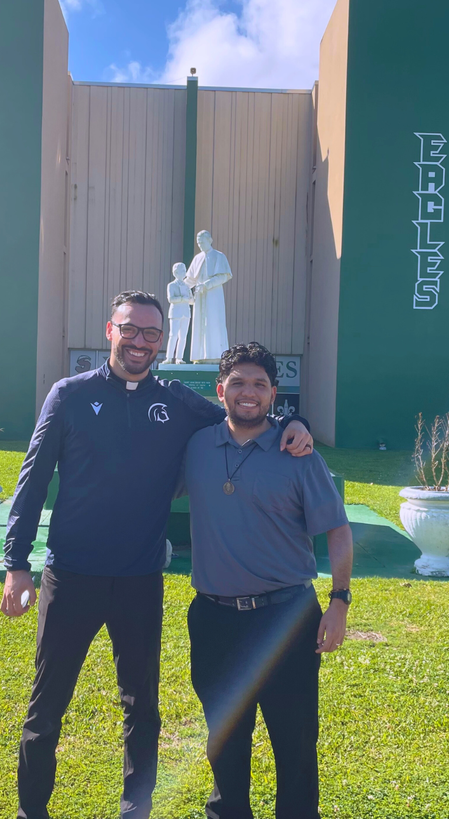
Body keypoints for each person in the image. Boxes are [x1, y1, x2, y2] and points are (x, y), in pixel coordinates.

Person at [0, 292, 314, 819]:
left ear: (162, 341)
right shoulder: (69, 395)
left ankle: (135, 810)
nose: (139, 341)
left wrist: (291, 423)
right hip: (70, 577)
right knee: (46, 707)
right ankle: (32, 812)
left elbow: (240, 414)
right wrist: (16, 564)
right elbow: (31, 483)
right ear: (110, 330)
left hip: (140, 580)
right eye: (130, 329)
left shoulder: (177, 402)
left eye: (151, 333)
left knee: (141, 707)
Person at [182, 342, 354, 819]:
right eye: (237, 382)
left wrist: (339, 601)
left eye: (259, 384)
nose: (249, 392)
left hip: (286, 618)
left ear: (274, 393)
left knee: (294, 740)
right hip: (214, 618)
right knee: (224, 737)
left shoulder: (298, 453)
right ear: (220, 390)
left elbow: (338, 530)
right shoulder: (196, 446)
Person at [184, 230, 232, 363]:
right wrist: (180, 287)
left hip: (213, 295)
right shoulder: (197, 258)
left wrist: (207, 284)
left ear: (210, 240)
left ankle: (215, 356)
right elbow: (191, 279)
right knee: (199, 324)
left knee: (214, 322)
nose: (200, 245)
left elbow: (224, 276)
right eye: (198, 243)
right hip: (199, 295)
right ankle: (200, 356)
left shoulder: (219, 256)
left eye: (202, 242)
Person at [161, 261, 194, 364]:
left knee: (183, 337)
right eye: (182, 271)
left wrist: (192, 298)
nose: (184, 273)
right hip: (175, 313)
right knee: (173, 335)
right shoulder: (171, 285)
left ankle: (179, 357)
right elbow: (171, 299)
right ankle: (169, 358)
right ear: (175, 273)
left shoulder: (187, 286)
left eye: (184, 271)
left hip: (186, 313)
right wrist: (183, 298)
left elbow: (192, 301)